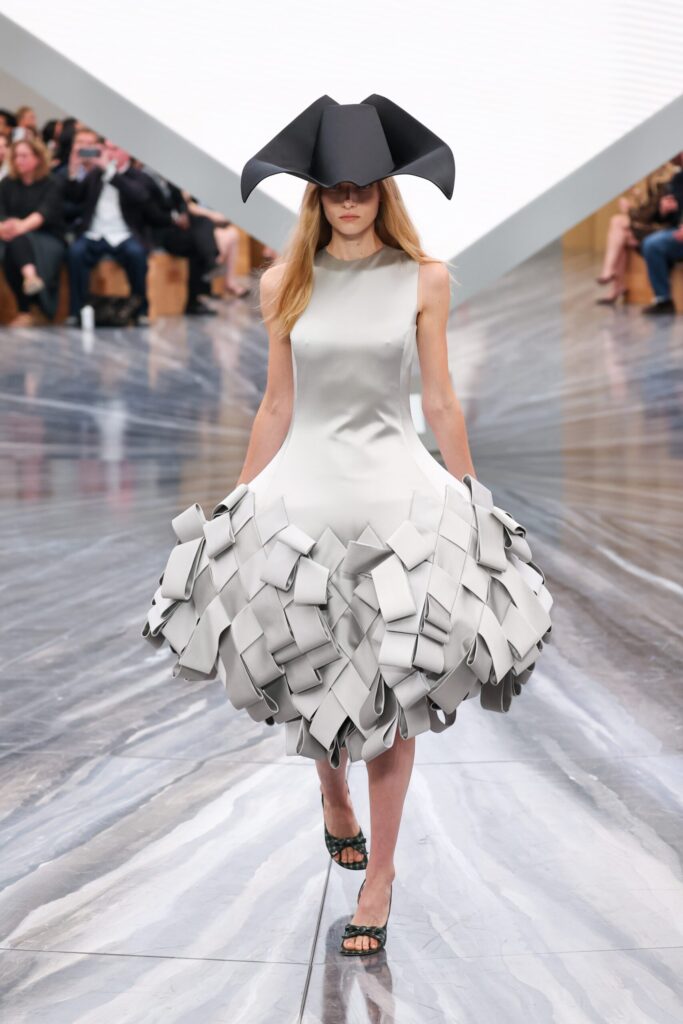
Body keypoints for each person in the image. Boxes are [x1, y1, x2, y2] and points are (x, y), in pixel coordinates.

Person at [141, 94, 554, 956]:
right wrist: (236, 500)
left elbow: (438, 398)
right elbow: (276, 404)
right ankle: (332, 797)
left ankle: (381, 877)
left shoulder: (423, 279)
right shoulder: (282, 282)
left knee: (393, 690)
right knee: (308, 668)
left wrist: (471, 494)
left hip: (395, 496)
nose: (351, 200)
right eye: (335, 188)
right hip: (302, 494)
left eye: (364, 186)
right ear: (316, 196)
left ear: (384, 191)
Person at [63, 138, 152, 325]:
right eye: (107, 148)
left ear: (126, 152)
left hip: (124, 234)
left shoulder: (137, 176)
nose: (110, 153)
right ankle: (76, 311)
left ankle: (140, 310)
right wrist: (73, 170)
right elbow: (75, 197)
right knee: (75, 253)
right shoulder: (95, 174)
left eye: (115, 148)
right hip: (95, 233)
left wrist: (110, 172)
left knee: (137, 254)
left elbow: (139, 196)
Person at [0, 135, 67, 326]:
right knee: (14, 246)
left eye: (24, 156)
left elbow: (43, 214)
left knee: (16, 244)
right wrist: (3, 228)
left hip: (47, 237)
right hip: (12, 236)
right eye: (16, 156)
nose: (18, 160)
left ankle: (26, 309)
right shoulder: (7, 183)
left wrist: (18, 227)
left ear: (37, 158)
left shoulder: (51, 183)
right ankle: (30, 279)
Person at [596, 156, 681, 305]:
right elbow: (660, 212)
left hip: (659, 228)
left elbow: (648, 216)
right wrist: (661, 209)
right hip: (658, 225)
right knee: (620, 231)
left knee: (619, 225)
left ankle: (611, 276)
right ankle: (616, 283)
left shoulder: (666, 179)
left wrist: (630, 210)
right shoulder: (655, 179)